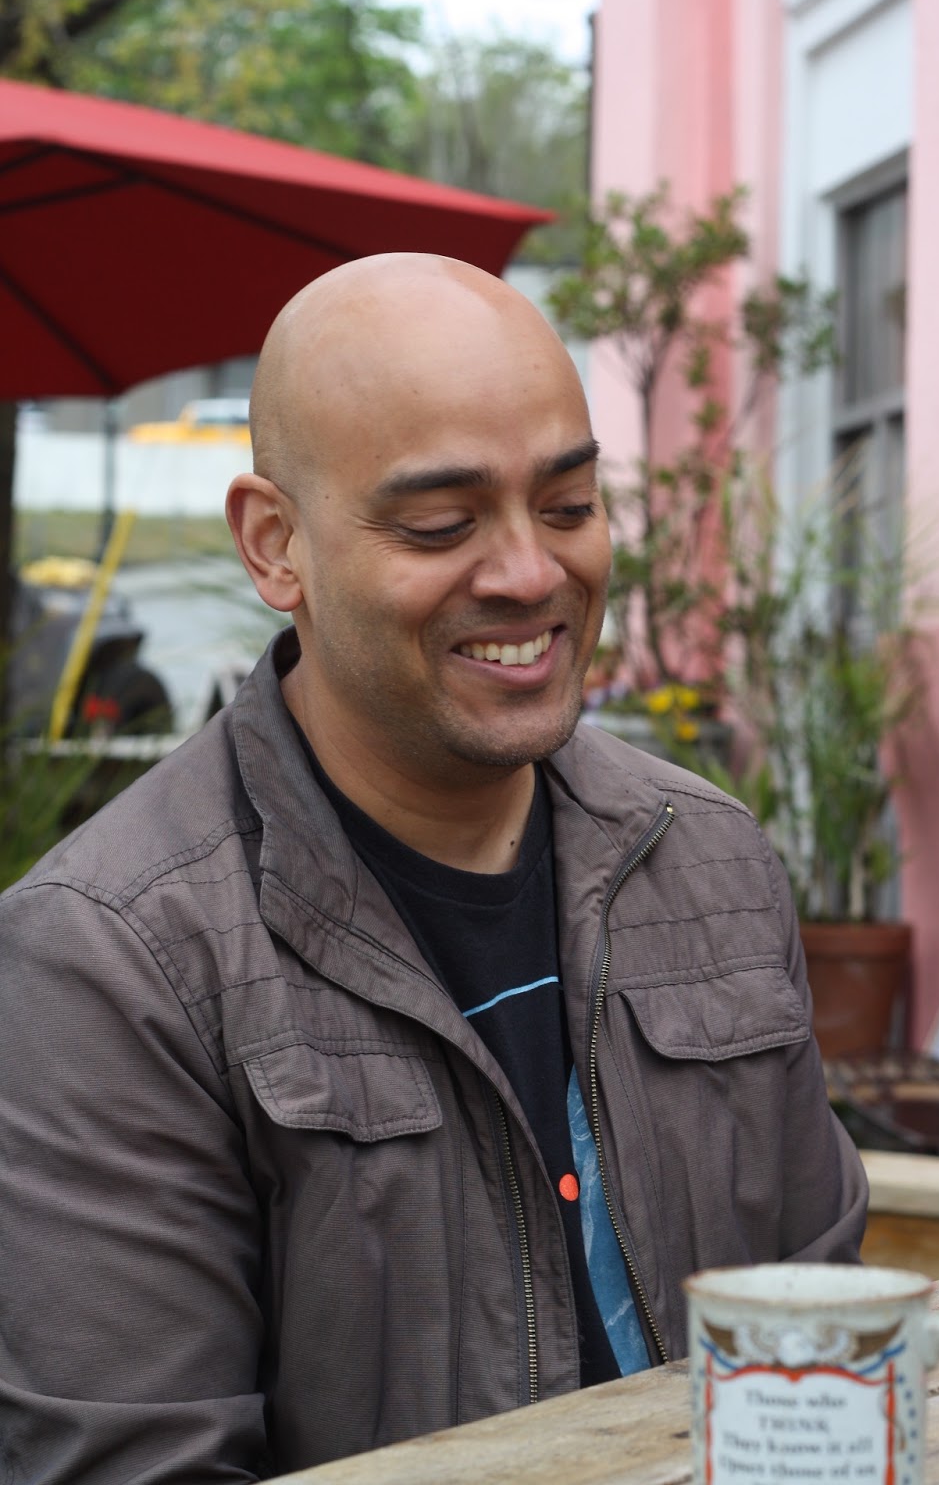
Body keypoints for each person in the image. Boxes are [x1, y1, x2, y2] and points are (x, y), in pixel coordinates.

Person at [0, 255, 867, 1483]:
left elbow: (823, 1343)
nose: (528, 572)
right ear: (274, 543)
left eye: (567, 506)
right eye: (439, 525)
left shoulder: (706, 856)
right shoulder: (110, 959)